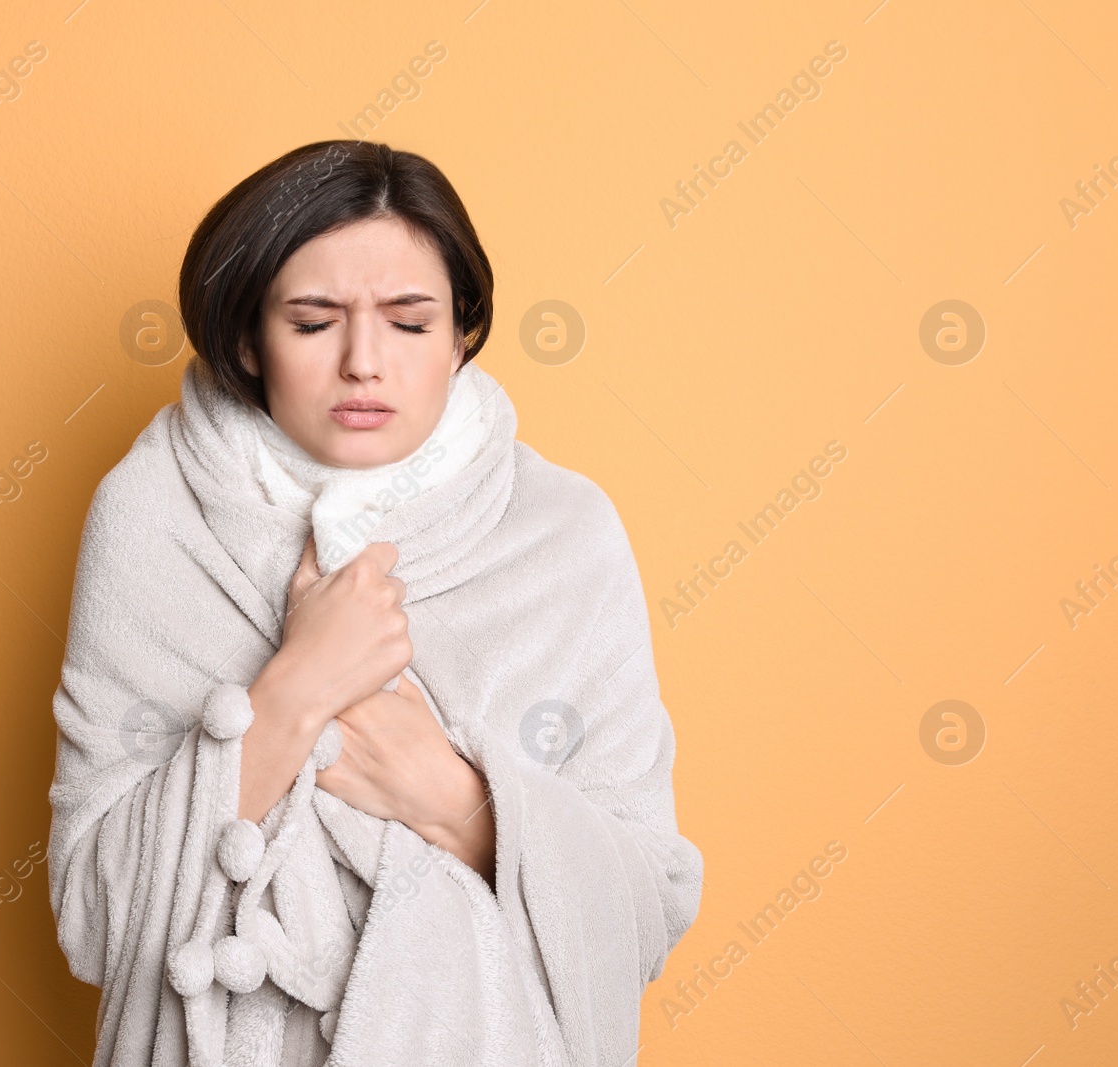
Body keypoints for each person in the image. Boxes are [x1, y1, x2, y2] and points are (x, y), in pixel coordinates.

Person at [46, 139, 703, 1066]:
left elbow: (649, 903)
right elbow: (93, 913)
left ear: (463, 333)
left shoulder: (565, 534)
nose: (364, 362)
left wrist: (449, 796)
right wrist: (292, 695)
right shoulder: (155, 518)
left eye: (409, 321)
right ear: (247, 338)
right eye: (313, 324)